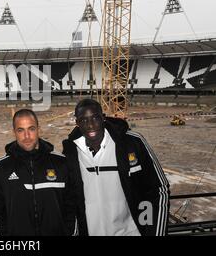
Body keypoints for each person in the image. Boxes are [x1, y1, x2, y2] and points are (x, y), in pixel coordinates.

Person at [62, 98, 170, 236]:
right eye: (83, 120)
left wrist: (153, 232)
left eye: (95, 118)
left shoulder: (132, 143)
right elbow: (70, 203)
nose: (90, 125)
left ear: (103, 118)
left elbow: (158, 190)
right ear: (77, 123)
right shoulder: (71, 153)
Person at [0, 108, 77, 236]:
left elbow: (72, 207)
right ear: (14, 132)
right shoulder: (1, 167)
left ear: (38, 129)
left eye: (31, 129)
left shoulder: (61, 163)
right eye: (21, 130)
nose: (27, 136)